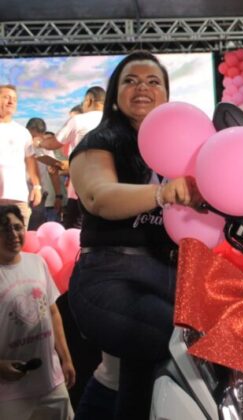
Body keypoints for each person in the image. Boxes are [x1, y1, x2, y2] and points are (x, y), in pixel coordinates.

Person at [67, 51, 203, 420]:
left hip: (170, 279)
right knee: (167, 342)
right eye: (131, 80)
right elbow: (98, 197)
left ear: (167, 95)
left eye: (153, 81)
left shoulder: (184, 147)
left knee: (118, 374)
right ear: (114, 95)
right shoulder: (100, 141)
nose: (142, 87)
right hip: (111, 277)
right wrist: (162, 193)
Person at [0, 204, 76, 420]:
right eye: (4, 229)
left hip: (50, 381)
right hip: (10, 392)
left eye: (17, 227)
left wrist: (66, 359)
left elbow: (53, 312)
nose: (13, 234)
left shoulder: (37, 262)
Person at [39, 86, 106, 229]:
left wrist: (39, 142)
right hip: (110, 191)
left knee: (75, 232)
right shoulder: (115, 122)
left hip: (81, 192)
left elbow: (53, 143)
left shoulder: (79, 120)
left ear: (89, 100)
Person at [0, 84, 43, 227]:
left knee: (18, 238)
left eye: (14, 99)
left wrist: (37, 187)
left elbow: (31, 162)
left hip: (17, 198)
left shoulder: (22, 132)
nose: (11, 102)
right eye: (6, 97)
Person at [25, 118, 63, 227]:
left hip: (38, 196)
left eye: (39, 137)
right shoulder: (20, 144)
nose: (35, 140)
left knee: (34, 228)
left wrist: (58, 196)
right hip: (19, 194)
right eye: (33, 136)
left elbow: (54, 172)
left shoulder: (46, 148)